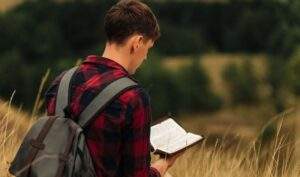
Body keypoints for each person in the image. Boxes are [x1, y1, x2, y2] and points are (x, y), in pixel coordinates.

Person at [45, 0, 180, 177]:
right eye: (148, 47)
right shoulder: (133, 97)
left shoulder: (62, 81)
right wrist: (163, 165)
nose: (146, 57)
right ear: (137, 42)